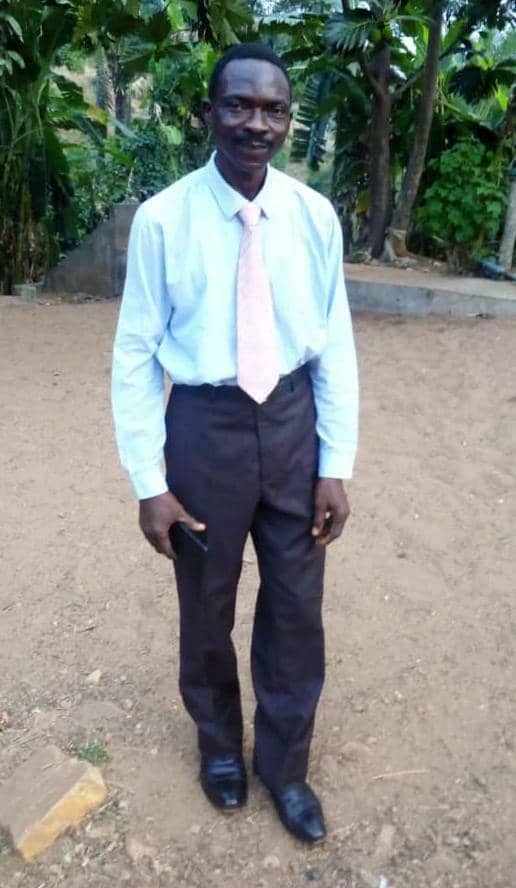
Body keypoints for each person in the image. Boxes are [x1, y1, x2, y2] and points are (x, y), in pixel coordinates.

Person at [112, 42, 358, 844]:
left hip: (291, 427)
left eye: (273, 109)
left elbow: (334, 345)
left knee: (296, 609)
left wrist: (335, 464)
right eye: (239, 105)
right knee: (206, 602)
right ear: (208, 113)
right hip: (204, 429)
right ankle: (219, 747)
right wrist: (149, 482)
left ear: (288, 120)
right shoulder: (163, 220)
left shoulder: (314, 217)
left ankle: (284, 768)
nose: (257, 124)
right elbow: (135, 353)